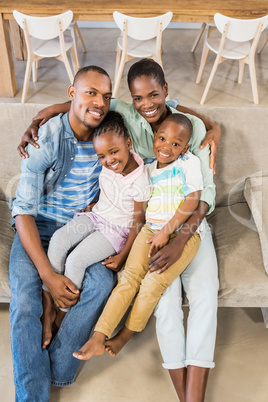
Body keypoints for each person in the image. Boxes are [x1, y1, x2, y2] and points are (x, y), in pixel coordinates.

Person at [16, 59, 220, 402]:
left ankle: (192, 397)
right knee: (161, 301)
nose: (147, 105)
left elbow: (202, 196)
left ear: (167, 93)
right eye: (138, 99)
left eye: (154, 96)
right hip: (124, 228)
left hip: (181, 229)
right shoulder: (116, 120)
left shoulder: (190, 131)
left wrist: (213, 126)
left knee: (196, 295)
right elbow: (87, 104)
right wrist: (41, 116)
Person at [9, 66, 118, 401]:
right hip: (38, 228)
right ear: (71, 93)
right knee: (26, 300)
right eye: (90, 93)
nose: (99, 102)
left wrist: (211, 128)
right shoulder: (46, 139)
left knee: (103, 283)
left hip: (85, 230)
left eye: (105, 96)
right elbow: (23, 211)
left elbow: (165, 107)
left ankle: (59, 366)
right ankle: (33, 395)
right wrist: (48, 276)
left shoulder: (113, 133)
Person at [72, 112, 203, 361]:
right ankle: (99, 335)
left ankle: (125, 334)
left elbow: (192, 200)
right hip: (150, 230)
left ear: (185, 148)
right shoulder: (148, 169)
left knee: (152, 284)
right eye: (162, 138)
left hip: (181, 233)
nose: (167, 147)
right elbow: (133, 205)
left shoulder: (188, 163)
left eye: (176, 144)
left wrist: (166, 233)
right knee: (129, 279)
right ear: (155, 136)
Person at [41, 110, 151, 348]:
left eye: (114, 152)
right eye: (102, 156)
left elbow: (138, 222)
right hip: (97, 214)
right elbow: (108, 187)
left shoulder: (139, 181)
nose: (109, 160)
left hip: (116, 231)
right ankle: (49, 299)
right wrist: (96, 203)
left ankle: (61, 314)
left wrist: (124, 255)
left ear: (128, 144)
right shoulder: (108, 164)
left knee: (76, 260)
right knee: (59, 239)